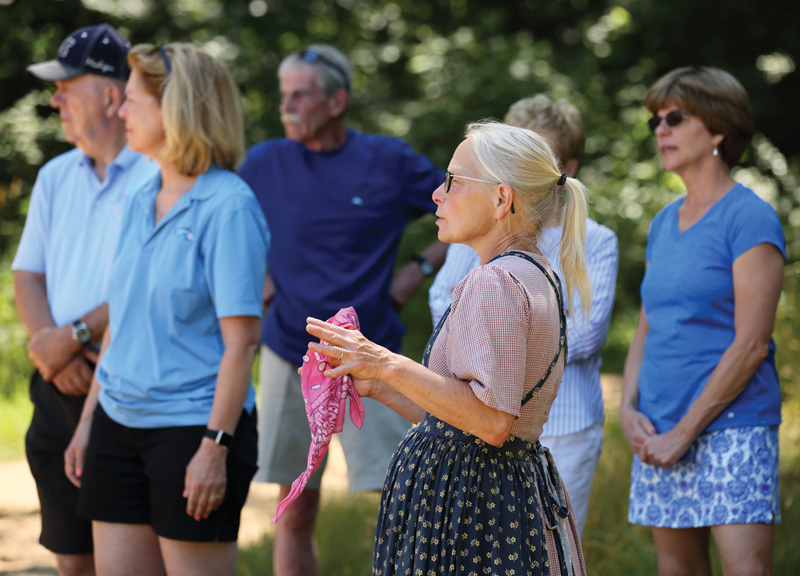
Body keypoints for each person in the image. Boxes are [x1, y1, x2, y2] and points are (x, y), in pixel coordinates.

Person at [305, 120, 590, 575]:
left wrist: (386, 362)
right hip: (498, 498)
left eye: (454, 181)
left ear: (502, 198)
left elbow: (493, 423)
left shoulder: (493, 282)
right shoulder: (534, 273)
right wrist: (375, 381)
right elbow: (464, 422)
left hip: (474, 510)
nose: (437, 195)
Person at [237, 44, 447, 576]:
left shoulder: (388, 161)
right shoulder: (265, 162)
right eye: (284, 95)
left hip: (374, 358)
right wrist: (259, 281)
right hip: (291, 354)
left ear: (337, 101)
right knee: (296, 507)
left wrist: (419, 269)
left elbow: (465, 204)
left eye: (300, 95)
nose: (287, 106)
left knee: (406, 498)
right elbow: (228, 227)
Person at [63, 43, 269, 576]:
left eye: (132, 101)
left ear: (177, 110)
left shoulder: (229, 206)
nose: (120, 111)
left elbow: (241, 343)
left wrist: (214, 447)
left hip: (193, 430)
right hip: (116, 422)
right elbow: (122, 325)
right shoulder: (140, 195)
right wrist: (89, 421)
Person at [620, 67, 785, 576]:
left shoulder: (749, 217)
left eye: (675, 117)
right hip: (658, 429)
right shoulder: (663, 222)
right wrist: (627, 409)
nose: (661, 130)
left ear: (718, 129)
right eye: (655, 122)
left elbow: (752, 344)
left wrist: (684, 433)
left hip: (731, 427)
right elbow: (648, 327)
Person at [429, 95, 618, 535]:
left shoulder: (584, 243)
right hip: (480, 426)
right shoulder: (487, 247)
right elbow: (446, 298)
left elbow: (585, 336)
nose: (440, 193)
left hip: (563, 424)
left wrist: (499, 342)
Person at [12, 24, 158, 576]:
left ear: (111, 95)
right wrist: (50, 350)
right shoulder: (54, 176)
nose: (54, 100)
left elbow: (145, 284)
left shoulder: (156, 174)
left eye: (65, 87)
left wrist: (70, 339)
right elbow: (27, 274)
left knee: (131, 558)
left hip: (125, 388)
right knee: (71, 558)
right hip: (57, 384)